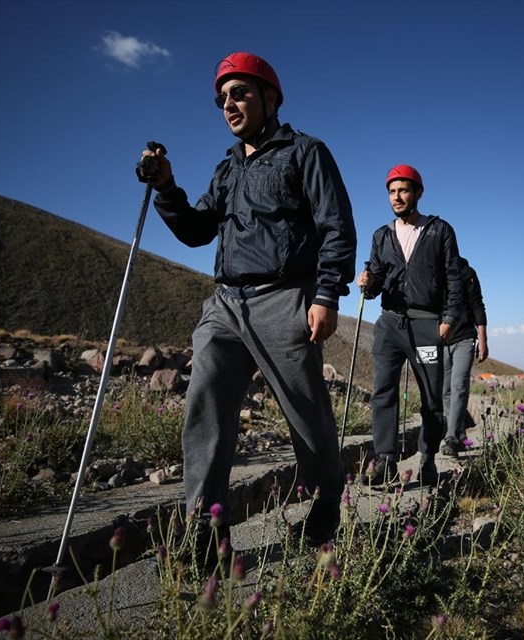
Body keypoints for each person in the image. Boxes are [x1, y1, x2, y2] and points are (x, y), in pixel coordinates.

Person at [139, 52, 357, 554]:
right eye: (222, 98)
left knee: (305, 409)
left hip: (285, 298)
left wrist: (327, 293)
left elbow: (335, 226)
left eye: (240, 93)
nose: (229, 104)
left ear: (270, 98)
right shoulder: (227, 168)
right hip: (225, 305)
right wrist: (166, 187)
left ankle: (326, 505)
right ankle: (204, 533)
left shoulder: (306, 152)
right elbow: (196, 232)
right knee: (206, 399)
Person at [356, 165, 463, 487]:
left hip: (428, 326)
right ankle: (385, 459)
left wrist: (448, 320)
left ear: (418, 193)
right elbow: (373, 288)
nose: (397, 197)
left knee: (431, 398)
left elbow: (454, 277)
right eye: (392, 192)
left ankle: (427, 457)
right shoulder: (381, 234)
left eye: (403, 190)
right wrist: (368, 282)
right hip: (390, 324)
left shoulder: (439, 230)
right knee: (382, 392)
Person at [440, 257, 488, 456]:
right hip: (440, 339)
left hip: (464, 338)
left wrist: (483, 340)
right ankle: (457, 433)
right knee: (444, 390)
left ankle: (451, 438)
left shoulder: (467, 273)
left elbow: (478, 305)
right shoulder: (431, 271)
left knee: (459, 385)